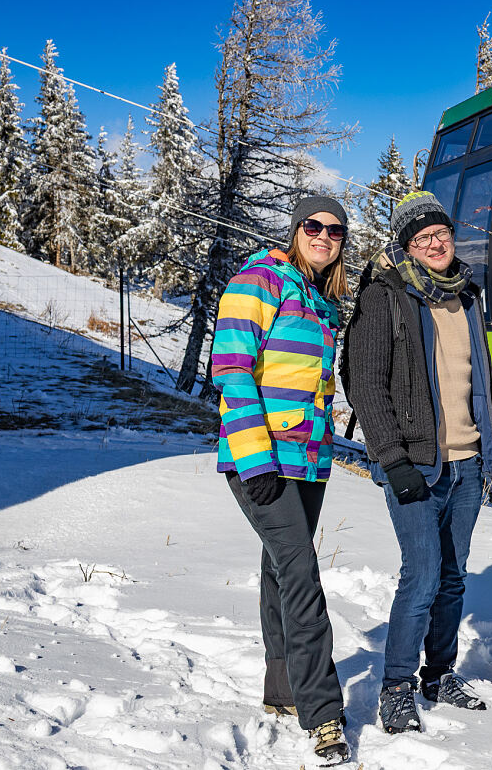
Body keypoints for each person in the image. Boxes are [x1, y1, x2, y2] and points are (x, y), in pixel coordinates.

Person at [343, 190, 492, 734]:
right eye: (422, 238)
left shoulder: (469, 295)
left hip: (467, 462)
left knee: (454, 577)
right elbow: (364, 384)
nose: (435, 244)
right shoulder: (385, 296)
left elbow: (481, 383)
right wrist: (392, 460)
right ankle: (396, 686)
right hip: (415, 463)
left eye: (440, 234)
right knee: (422, 575)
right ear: (407, 248)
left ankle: (438, 674)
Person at [211, 196, 351, 765]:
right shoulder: (258, 281)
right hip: (260, 459)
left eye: (335, 229)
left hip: (309, 459)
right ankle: (324, 714)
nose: (323, 235)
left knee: (280, 568)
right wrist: (254, 460)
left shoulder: (323, 299)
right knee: (301, 572)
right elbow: (231, 370)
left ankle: (283, 688)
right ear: (296, 230)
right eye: (313, 226)